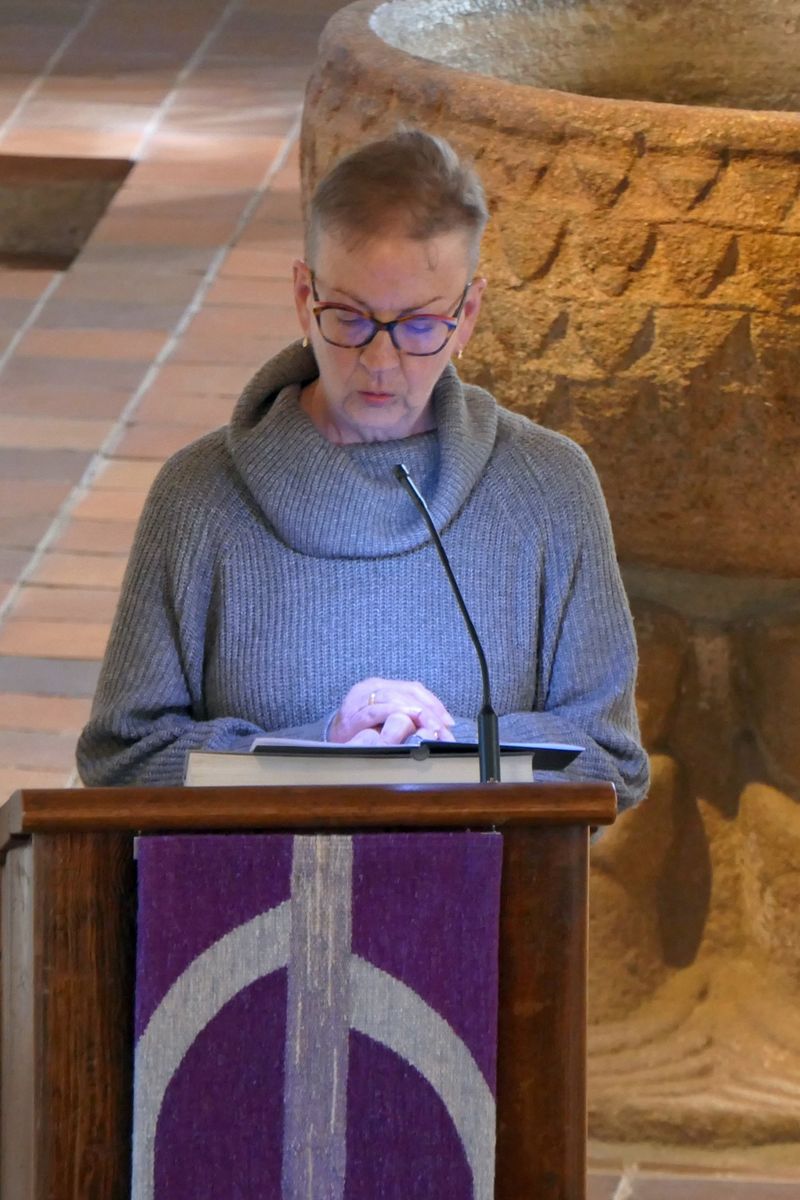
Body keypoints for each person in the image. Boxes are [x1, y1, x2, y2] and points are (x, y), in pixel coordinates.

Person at [77, 129, 649, 808]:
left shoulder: (548, 487)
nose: (380, 362)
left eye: (418, 325)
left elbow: (612, 757)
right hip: (255, 875)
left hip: (490, 876)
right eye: (349, 318)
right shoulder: (199, 496)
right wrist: (323, 748)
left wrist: (442, 749)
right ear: (303, 295)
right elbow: (122, 755)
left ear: (467, 315)